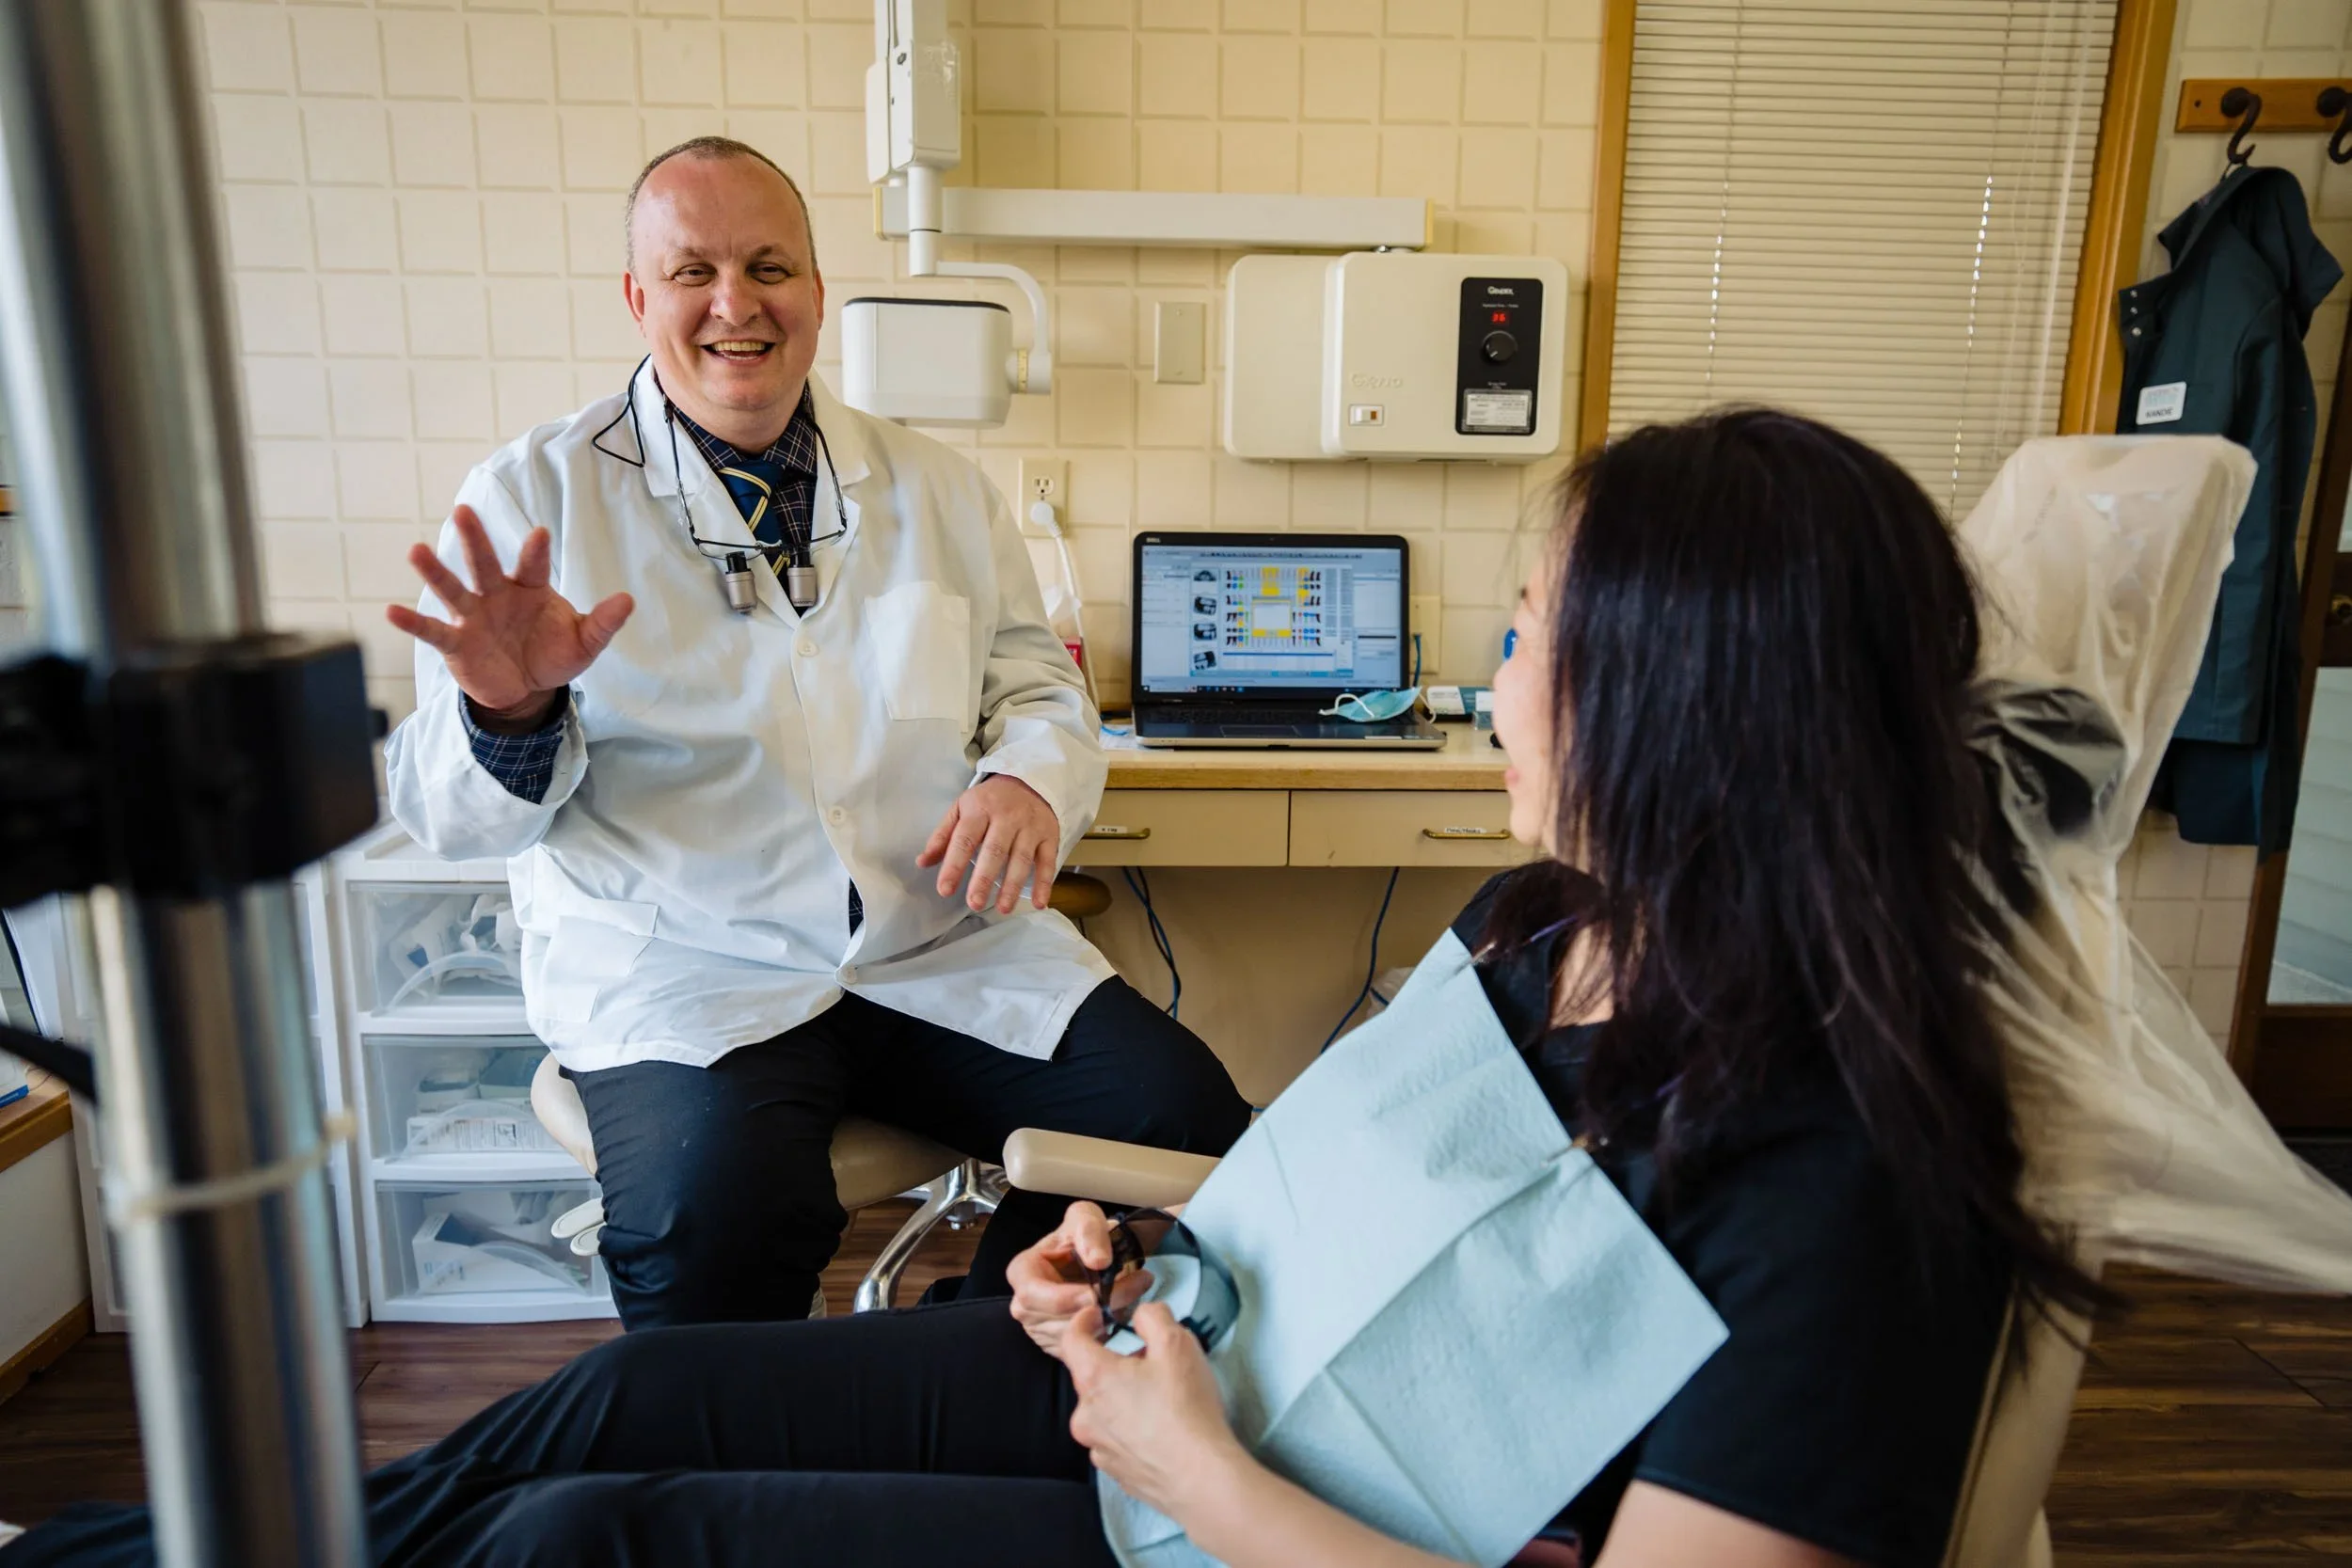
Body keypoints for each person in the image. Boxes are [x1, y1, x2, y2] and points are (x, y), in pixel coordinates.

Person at [10, 408, 2116, 1567]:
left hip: (1242, 1486)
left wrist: (1195, 1464)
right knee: (607, 1394)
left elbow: (1035, 686)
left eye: (1530, 627)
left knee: (596, 1533)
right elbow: (1362, 1195)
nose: (1490, 675)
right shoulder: (1534, 923)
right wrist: (1134, 1241)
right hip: (1156, 1344)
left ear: (1678, 699)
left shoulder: (1847, 1184)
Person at [375, 135, 1248, 1329]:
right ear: (639, 298)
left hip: (928, 943)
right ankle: (733, 1481)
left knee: (1175, 1113)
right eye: (692, 273)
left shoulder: (934, 485)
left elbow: (1032, 680)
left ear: (819, 291)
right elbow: (444, 811)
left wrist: (1028, 784)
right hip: (687, 962)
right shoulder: (538, 497)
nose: (735, 303)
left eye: (769, 265)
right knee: (713, 1221)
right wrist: (509, 710)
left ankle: (977, 1344)